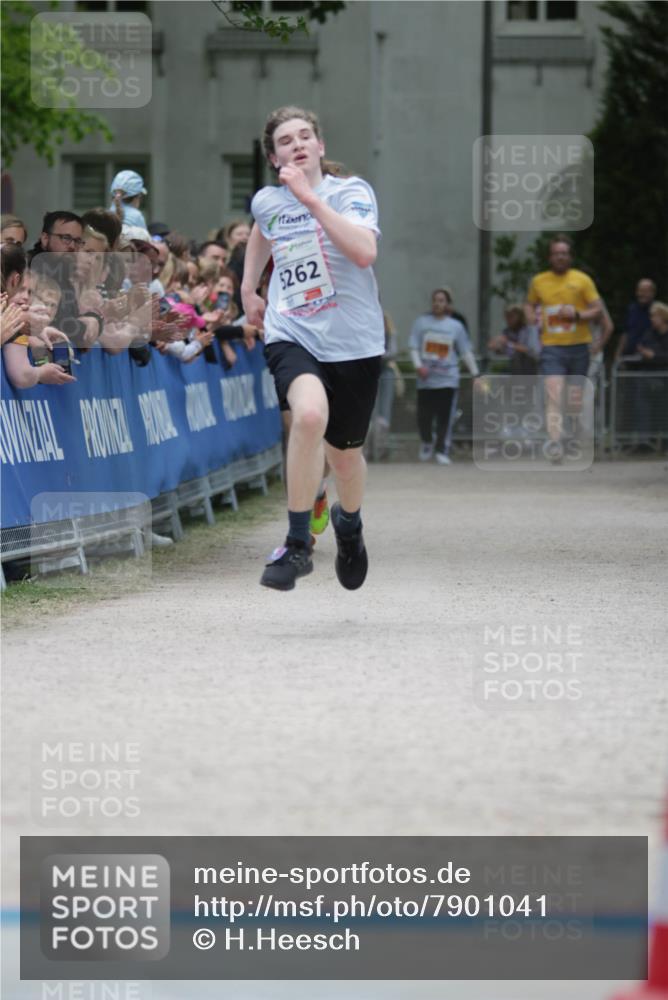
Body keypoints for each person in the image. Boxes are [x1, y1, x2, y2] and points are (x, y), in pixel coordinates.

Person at [242, 105, 383, 591]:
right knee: (306, 417)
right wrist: (247, 287)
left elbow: (364, 252)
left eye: (305, 136)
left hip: (355, 342)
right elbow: (264, 229)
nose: (297, 144)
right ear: (273, 156)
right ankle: (298, 543)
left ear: (320, 146)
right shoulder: (268, 201)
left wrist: (310, 199)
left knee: (344, 458)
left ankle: (349, 526)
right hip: (293, 332)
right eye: (286, 140)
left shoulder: (351, 193)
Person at [526, 235, 602, 456]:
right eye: (556, 253)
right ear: (550, 257)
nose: (560, 257)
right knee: (554, 394)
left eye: (564, 253)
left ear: (570, 256)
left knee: (574, 400)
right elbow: (528, 305)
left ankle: (573, 435)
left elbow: (597, 309)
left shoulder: (582, 280)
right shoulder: (539, 281)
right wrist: (532, 321)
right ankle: (555, 442)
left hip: (579, 346)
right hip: (552, 348)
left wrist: (577, 314)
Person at [409, 288, 480, 465]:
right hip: (426, 380)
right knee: (423, 417)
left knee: (445, 417)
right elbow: (413, 347)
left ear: (448, 304)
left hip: (448, 378)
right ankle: (427, 440)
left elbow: (465, 352)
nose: (437, 304)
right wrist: (418, 366)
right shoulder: (421, 323)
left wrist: (475, 373)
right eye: (435, 300)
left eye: (441, 300)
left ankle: (442, 449)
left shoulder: (456, 326)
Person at [488, 304, 541, 375]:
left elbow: (529, 350)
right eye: (507, 316)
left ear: (519, 316)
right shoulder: (507, 331)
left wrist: (508, 343)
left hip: (529, 369)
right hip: (513, 370)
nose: (508, 319)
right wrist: (497, 346)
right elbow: (506, 351)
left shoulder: (528, 330)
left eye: (511, 316)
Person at [617, 278, 656, 358]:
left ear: (652, 293)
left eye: (646, 291)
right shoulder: (631, 309)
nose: (642, 294)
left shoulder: (658, 311)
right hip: (629, 357)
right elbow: (625, 333)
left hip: (650, 360)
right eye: (640, 291)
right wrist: (618, 355)